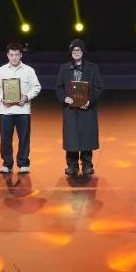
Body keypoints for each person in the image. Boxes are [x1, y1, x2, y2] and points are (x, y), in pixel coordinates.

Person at [53, 39, 104, 177]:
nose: (76, 52)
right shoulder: (64, 68)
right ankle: (72, 165)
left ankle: (87, 164)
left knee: (87, 136)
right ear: (70, 52)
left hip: (87, 108)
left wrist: (89, 100)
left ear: (83, 52)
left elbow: (98, 87)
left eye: (79, 50)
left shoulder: (93, 68)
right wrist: (65, 98)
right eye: (74, 50)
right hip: (70, 109)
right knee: (71, 137)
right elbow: (59, 87)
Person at [0, 43, 42, 174]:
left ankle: (23, 163)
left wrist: (27, 97)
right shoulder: (1, 70)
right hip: (5, 110)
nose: (14, 57)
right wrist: (2, 98)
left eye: (17, 55)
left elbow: (36, 87)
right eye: (11, 55)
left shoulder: (29, 70)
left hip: (23, 110)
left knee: (24, 138)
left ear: (21, 55)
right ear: (7, 55)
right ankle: (7, 163)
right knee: (5, 139)